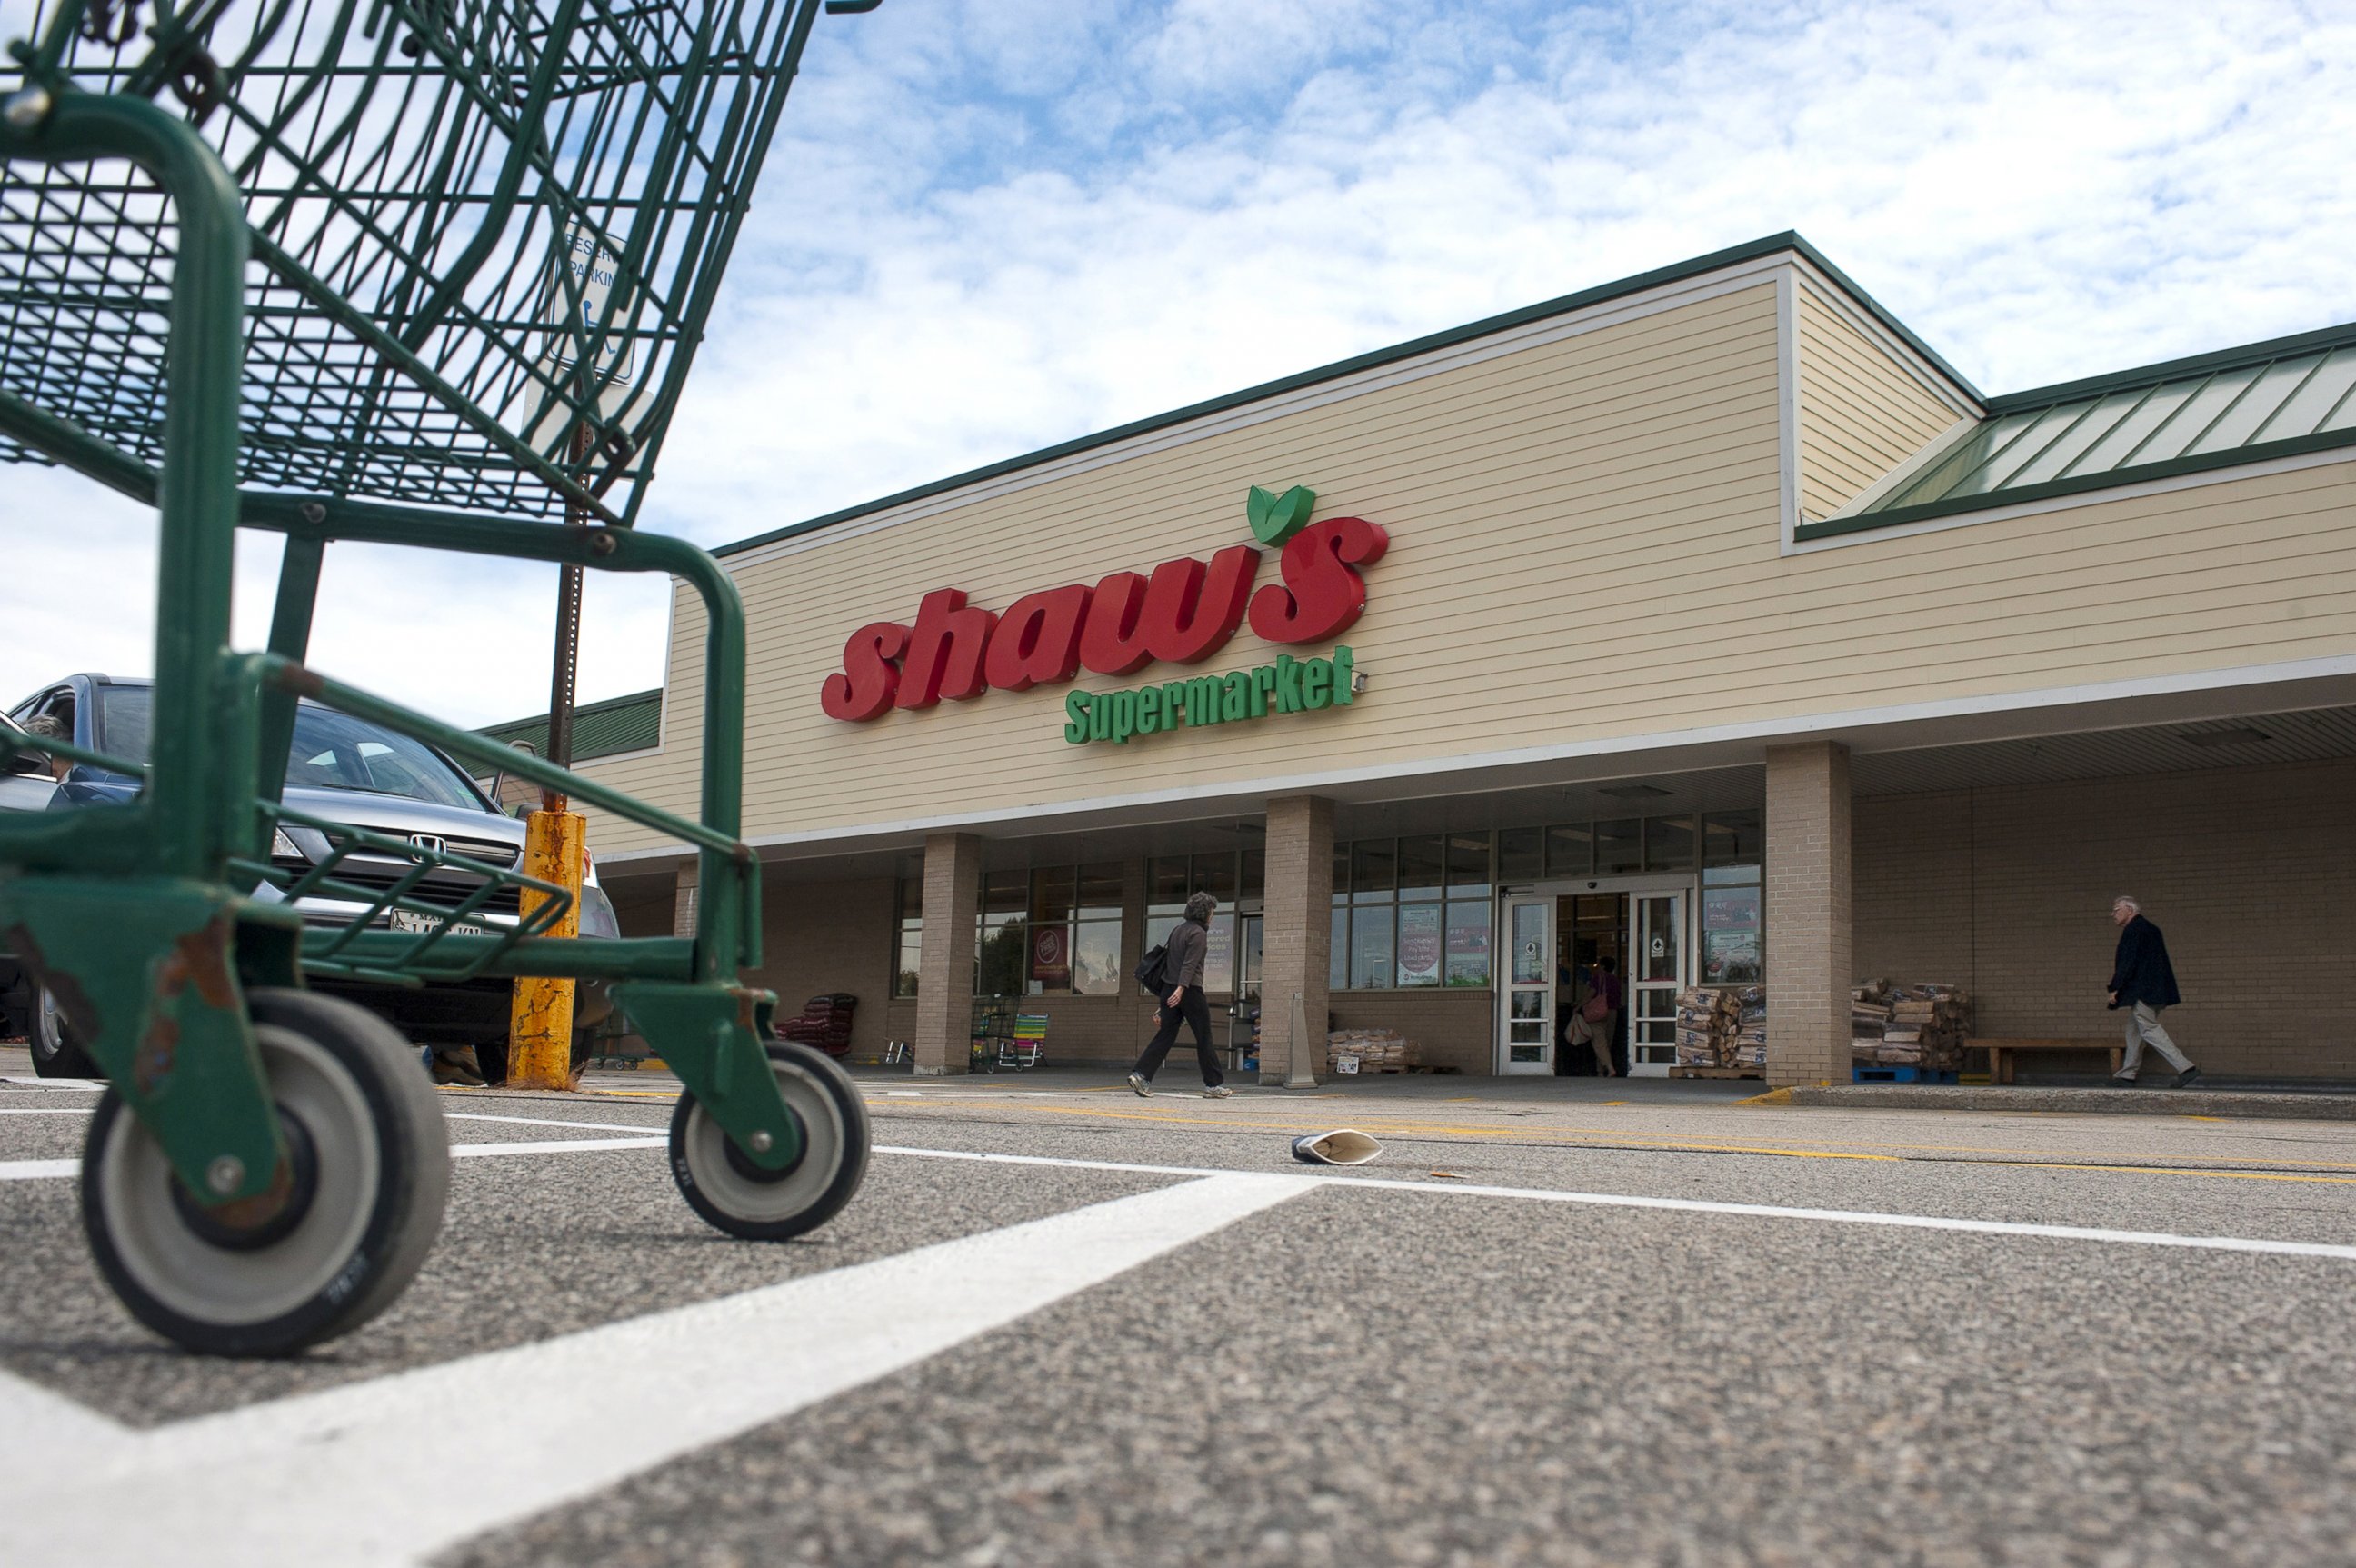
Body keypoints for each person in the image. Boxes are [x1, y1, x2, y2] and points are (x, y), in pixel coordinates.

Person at [1129, 891, 1230, 1098]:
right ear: (1205, 912)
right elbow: (1189, 965)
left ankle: (1141, 1075)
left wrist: (1167, 998)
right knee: (1204, 1036)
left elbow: (1170, 963)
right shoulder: (1198, 933)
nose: (1213, 915)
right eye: (1212, 911)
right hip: (1189, 990)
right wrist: (1181, 989)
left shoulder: (1177, 930)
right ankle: (1213, 1085)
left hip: (1169, 989)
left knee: (1166, 1034)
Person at [2107, 895, 2199, 1089]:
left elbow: (2127, 962)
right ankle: (2127, 1074)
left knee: (2148, 1029)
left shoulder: (2133, 930)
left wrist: (2115, 987)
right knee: (2134, 1030)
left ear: (2129, 910)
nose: (2113, 914)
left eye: (2116, 910)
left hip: (2143, 991)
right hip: (2156, 990)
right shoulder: (2151, 929)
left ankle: (2186, 1068)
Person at [1570, 954, 1622, 1078]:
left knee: (1599, 1042)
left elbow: (1591, 994)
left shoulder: (1598, 978)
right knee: (1607, 1042)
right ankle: (1600, 1071)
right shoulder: (1615, 980)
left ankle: (1609, 1069)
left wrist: (1578, 1006)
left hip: (1597, 1013)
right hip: (1612, 1012)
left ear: (1603, 966)